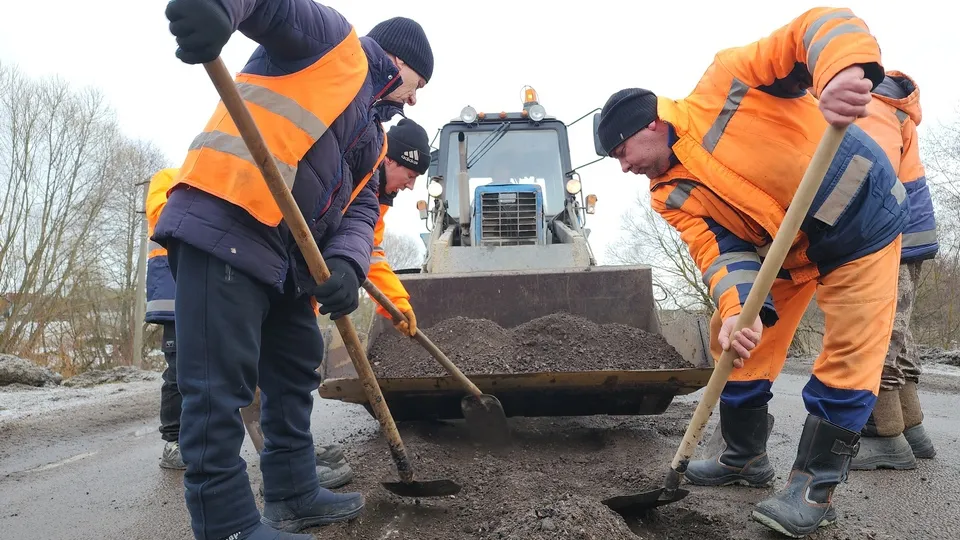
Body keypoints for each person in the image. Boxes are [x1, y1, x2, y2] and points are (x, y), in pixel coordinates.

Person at [596, 7, 907, 538]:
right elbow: (719, 253)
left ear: (650, 123)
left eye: (622, 152)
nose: (624, 167)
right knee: (738, 345)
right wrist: (738, 309)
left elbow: (820, 24)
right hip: (787, 255)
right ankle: (743, 456)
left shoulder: (728, 81)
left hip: (862, 224)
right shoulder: (666, 194)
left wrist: (841, 72)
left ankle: (814, 489)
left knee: (849, 355)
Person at [159, 0, 434, 538]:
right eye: (417, 82)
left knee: (294, 366)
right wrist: (218, 9)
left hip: (283, 258)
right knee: (218, 384)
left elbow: (357, 213)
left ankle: (292, 493)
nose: (416, 97)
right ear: (398, 62)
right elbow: (272, 7)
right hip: (228, 217)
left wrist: (348, 263)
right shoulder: (337, 44)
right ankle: (228, 524)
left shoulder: (374, 138)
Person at [849, 70, 939, 470]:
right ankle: (912, 430)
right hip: (909, 232)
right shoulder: (888, 106)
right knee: (898, 329)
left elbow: (865, 175)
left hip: (888, 233)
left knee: (878, 328)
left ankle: (884, 437)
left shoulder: (870, 107)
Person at [368, 118, 432, 335]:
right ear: (389, 160)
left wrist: (397, 302)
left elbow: (370, 252)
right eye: (410, 175)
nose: (411, 186)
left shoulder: (378, 200)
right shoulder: (353, 180)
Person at [145, 168, 186, 471]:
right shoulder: (168, 178)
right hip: (173, 297)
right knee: (177, 371)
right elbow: (163, 217)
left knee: (205, 370)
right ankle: (173, 443)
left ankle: (196, 438)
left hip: (200, 290)